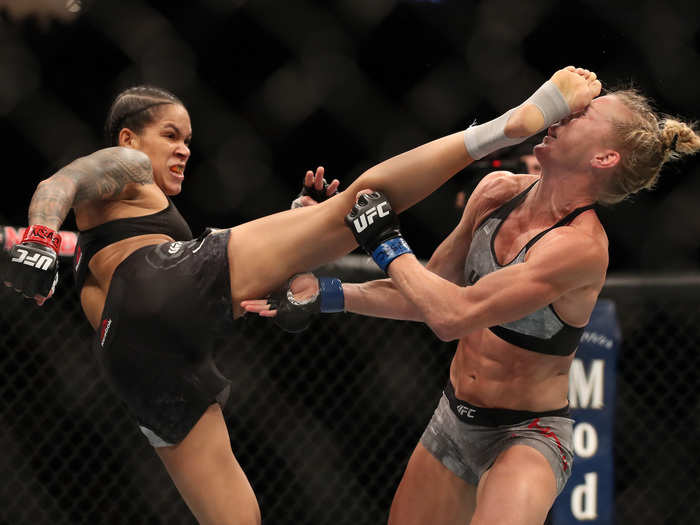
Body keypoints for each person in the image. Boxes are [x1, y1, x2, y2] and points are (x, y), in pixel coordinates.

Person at [2, 66, 600, 525]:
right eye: (170, 135)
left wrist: (296, 231)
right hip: (165, 306)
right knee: (360, 205)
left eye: (188, 137)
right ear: (132, 136)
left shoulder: (134, 223)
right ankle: (511, 122)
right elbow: (60, 182)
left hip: (141, 363)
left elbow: (183, 288)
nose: (184, 148)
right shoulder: (125, 164)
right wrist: (37, 234)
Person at [243, 87, 700, 524]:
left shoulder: (579, 248)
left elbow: (452, 316)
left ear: (604, 158)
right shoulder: (496, 191)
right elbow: (427, 294)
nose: (562, 114)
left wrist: (380, 238)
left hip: (528, 435)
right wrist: (327, 285)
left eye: (583, 115)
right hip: (454, 420)